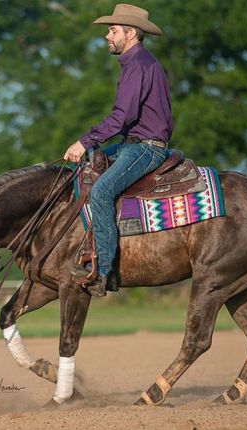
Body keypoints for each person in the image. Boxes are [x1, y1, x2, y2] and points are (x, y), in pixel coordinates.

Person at [64, 4, 173, 297]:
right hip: (134, 143)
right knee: (86, 169)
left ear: (131, 33)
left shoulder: (137, 64)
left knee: (100, 192)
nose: (107, 36)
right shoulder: (139, 62)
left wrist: (85, 141)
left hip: (145, 148)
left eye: (112, 30)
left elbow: (121, 117)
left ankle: (103, 272)